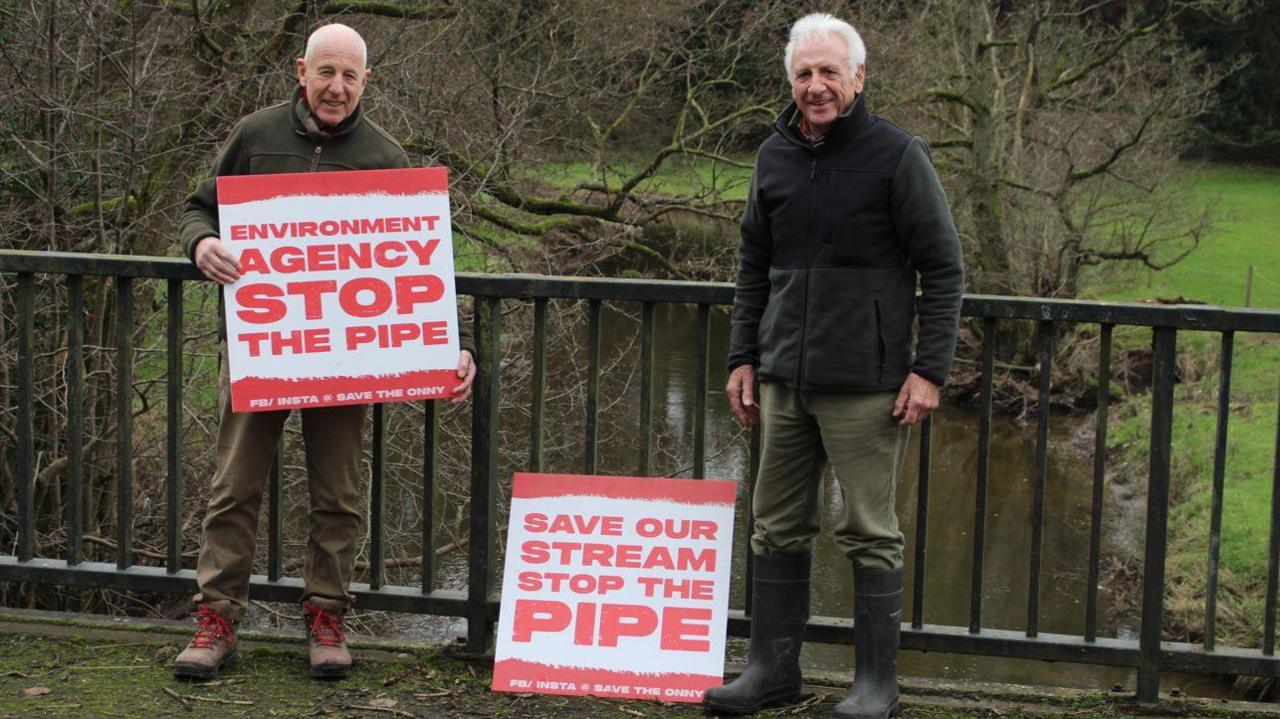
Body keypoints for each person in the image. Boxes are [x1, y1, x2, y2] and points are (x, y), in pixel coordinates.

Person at [173, 23, 476, 681]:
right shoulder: (254, 137)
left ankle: (327, 617)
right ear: (300, 71)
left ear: (366, 82)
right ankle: (216, 620)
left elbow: (430, 266)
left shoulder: (388, 158)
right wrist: (201, 245)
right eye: (325, 72)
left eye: (349, 75)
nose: (336, 87)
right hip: (263, 350)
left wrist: (456, 344)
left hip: (346, 357)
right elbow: (198, 209)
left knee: (338, 493)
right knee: (233, 487)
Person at [703, 13, 963, 719]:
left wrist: (928, 370)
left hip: (869, 385)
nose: (815, 86)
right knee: (775, 526)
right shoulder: (773, 156)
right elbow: (753, 262)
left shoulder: (897, 156)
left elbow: (943, 267)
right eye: (803, 74)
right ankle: (770, 672)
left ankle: (875, 683)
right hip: (784, 379)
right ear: (791, 81)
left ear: (858, 78)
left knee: (870, 530)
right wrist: (743, 356)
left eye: (828, 72)